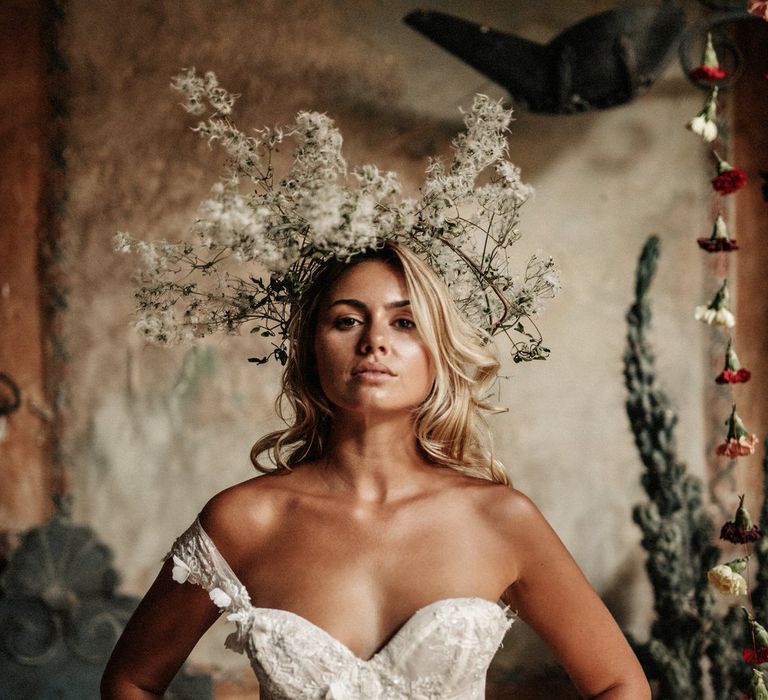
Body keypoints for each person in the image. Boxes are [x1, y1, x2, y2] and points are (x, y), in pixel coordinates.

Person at [101, 241, 651, 699]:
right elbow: (130, 682)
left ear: (438, 352)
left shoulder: (500, 519)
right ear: (312, 349)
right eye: (346, 320)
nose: (375, 342)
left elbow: (620, 685)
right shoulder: (245, 519)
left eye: (405, 321)